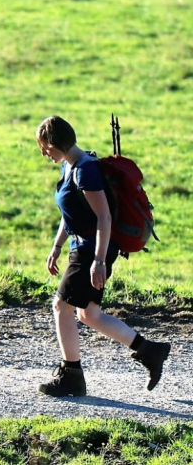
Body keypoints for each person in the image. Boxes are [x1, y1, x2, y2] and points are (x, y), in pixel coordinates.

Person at [35, 116, 170, 397]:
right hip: (82, 247)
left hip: (90, 250)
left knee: (61, 307)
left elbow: (104, 216)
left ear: (55, 142)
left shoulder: (86, 172)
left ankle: (72, 375)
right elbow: (70, 214)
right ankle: (149, 351)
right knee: (88, 314)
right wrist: (57, 246)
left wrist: (98, 260)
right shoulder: (70, 167)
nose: (43, 152)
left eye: (44, 146)